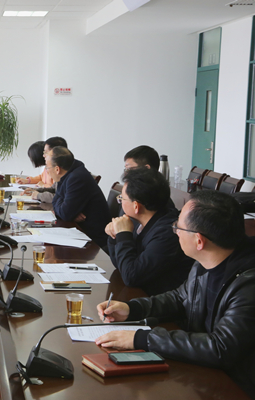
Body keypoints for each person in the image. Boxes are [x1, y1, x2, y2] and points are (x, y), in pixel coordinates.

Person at [96, 190, 255, 398]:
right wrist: (132, 309)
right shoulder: (206, 260)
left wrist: (143, 338)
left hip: (235, 386)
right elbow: (181, 298)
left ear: (199, 241)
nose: (175, 232)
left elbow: (221, 348)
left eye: (178, 227)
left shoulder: (248, 283)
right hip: (203, 372)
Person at [106, 168, 193, 295]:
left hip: (160, 301)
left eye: (122, 199)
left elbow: (131, 277)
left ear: (136, 206)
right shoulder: (137, 221)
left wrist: (123, 235)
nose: (120, 203)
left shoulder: (167, 234)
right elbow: (121, 265)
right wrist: (115, 234)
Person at [48, 146, 110, 248]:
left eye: (47, 168)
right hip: (80, 232)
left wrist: (69, 212)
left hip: (93, 240)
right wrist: (69, 212)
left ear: (57, 169)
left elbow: (65, 213)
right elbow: (56, 201)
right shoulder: (69, 174)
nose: (47, 171)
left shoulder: (77, 177)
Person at [22, 137, 68, 203]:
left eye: (46, 152)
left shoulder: (58, 170)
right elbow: (53, 188)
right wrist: (31, 185)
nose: (43, 155)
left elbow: (57, 196)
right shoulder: (49, 168)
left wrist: (39, 193)